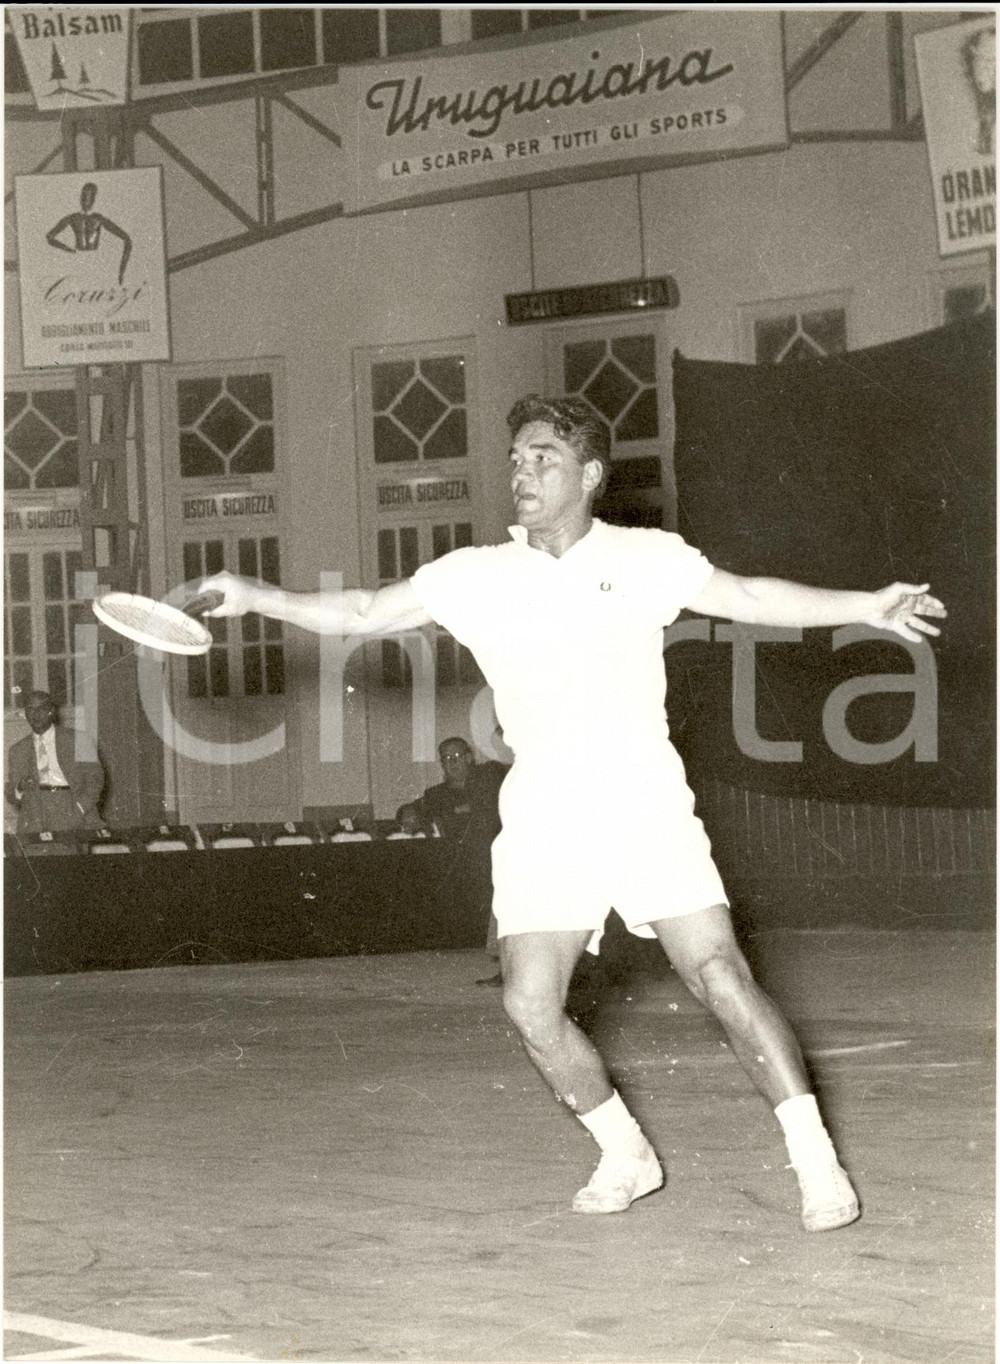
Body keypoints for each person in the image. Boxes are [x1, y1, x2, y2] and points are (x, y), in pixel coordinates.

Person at [200, 393, 946, 1231]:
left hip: (642, 800)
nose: (522, 472)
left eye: (543, 457)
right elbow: (366, 613)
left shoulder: (646, 557)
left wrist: (865, 604)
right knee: (529, 1005)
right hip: (546, 814)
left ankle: (817, 1165)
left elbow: (751, 596)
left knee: (720, 976)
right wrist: (254, 594)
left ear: (589, 475)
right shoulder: (475, 574)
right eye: (516, 459)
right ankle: (625, 1150)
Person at [5, 690, 105, 839]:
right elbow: (10, 795)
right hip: (33, 818)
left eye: (41, 708)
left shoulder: (79, 740)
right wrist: (20, 786)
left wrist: (79, 808)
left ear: (51, 711)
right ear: (25, 713)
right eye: (30, 709)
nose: (35, 714)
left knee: (68, 859)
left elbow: (96, 780)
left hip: (71, 811)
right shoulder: (17, 750)